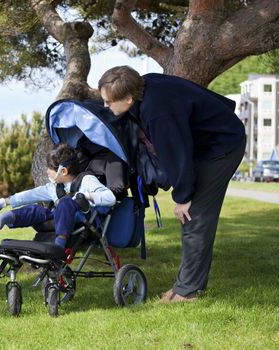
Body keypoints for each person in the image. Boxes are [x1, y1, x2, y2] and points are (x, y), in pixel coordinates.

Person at [98, 66, 246, 303]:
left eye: (108, 102)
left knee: (194, 215)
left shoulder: (158, 113)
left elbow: (178, 155)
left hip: (223, 146)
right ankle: (188, 285)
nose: (105, 106)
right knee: (194, 213)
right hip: (209, 139)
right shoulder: (144, 84)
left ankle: (187, 292)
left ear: (128, 98)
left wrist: (183, 197)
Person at [0, 143, 116, 248]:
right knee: (37, 210)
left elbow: (110, 198)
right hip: (60, 219)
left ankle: (59, 244)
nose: (47, 171)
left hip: (81, 222)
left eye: (50, 168)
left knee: (65, 203)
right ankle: (9, 217)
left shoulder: (87, 180)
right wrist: (3, 202)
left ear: (63, 171)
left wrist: (86, 195)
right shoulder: (54, 188)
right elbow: (30, 195)